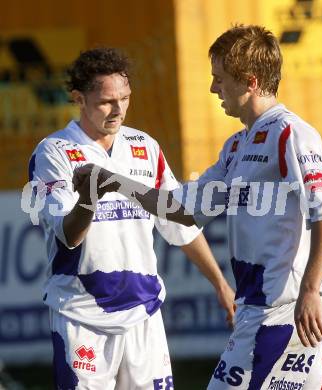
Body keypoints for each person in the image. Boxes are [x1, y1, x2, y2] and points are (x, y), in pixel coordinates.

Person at [74, 25, 322, 389]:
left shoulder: (291, 134)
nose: (213, 88)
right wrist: (115, 182)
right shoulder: (236, 147)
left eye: (219, 79)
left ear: (249, 81)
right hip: (257, 309)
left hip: (282, 313)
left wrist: (311, 290)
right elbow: (179, 208)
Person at [27, 47, 235, 390]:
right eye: (107, 101)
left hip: (144, 314)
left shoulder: (145, 146)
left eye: (125, 98)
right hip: (82, 316)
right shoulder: (54, 152)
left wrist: (221, 284)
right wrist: (91, 196)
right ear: (79, 98)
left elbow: (177, 221)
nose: (119, 109)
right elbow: (68, 235)